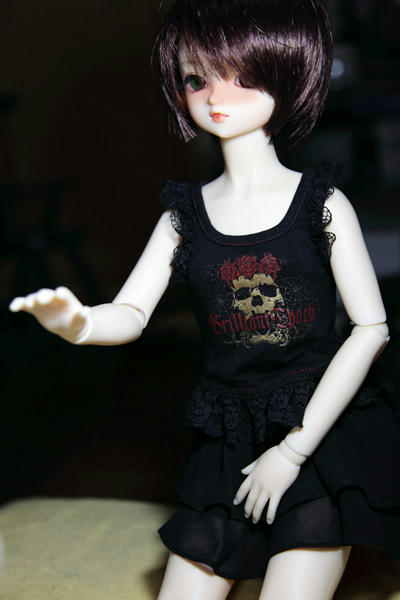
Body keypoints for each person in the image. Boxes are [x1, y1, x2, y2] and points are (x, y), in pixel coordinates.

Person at [10, 1, 400, 599]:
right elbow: (132, 312)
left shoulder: (320, 204)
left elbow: (371, 329)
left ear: (288, 75)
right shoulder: (183, 217)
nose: (216, 97)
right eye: (197, 79)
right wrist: (81, 323)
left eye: (242, 77)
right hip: (229, 430)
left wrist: (294, 450)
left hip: (321, 427)